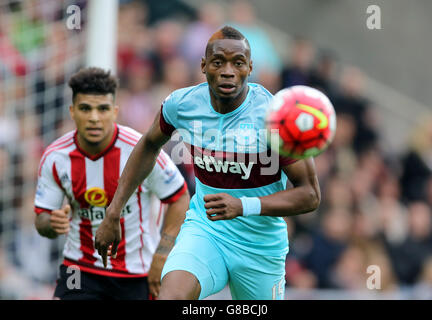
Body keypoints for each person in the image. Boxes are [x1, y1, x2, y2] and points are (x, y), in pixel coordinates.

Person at [95, 26, 321, 300]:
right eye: (218, 62)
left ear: (250, 67)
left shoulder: (274, 118)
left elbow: (310, 194)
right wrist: (114, 211)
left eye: (237, 63)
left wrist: (243, 206)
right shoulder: (183, 104)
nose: (228, 71)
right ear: (203, 66)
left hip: (259, 248)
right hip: (206, 231)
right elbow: (148, 144)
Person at [34, 67, 190, 300]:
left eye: (103, 109)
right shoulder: (55, 157)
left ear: (115, 111)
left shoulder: (141, 150)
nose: (94, 117)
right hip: (79, 267)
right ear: (72, 112)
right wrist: (51, 223)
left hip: (137, 272)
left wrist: (161, 256)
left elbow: (180, 198)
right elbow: (42, 219)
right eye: (86, 108)